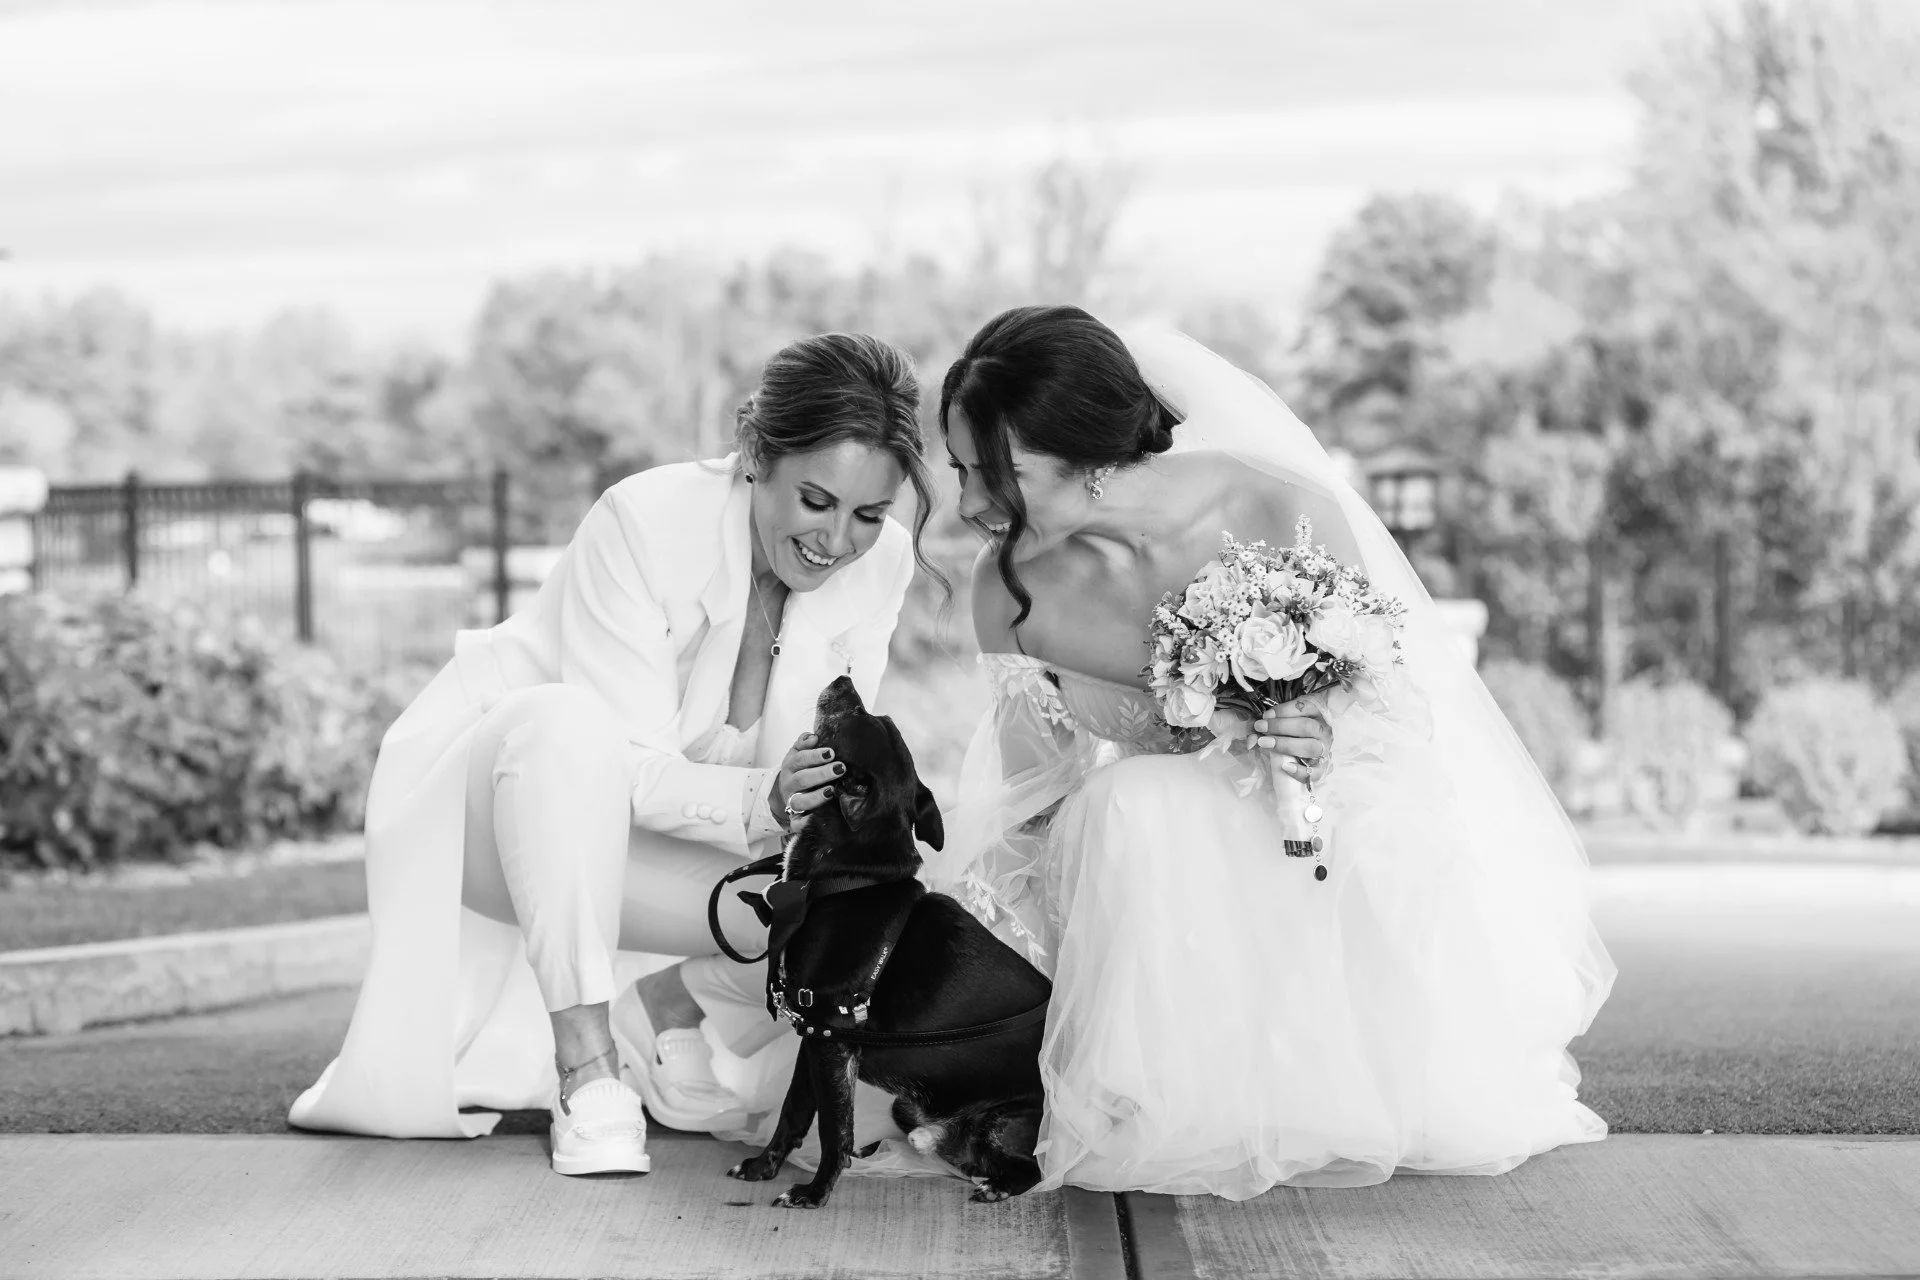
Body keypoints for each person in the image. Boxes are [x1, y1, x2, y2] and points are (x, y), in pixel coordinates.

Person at [929, 305, 1616, 1200]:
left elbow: (1400, 721)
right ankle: (1152, 1085)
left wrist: (1326, 737)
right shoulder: (1010, 590)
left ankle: (1311, 1071)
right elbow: (1032, 800)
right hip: (1154, 879)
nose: (970, 504)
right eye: (960, 468)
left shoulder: (1278, 506)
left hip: (1329, 828)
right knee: (1123, 805)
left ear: (1089, 458)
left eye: (998, 473)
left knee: (1145, 804)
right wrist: (989, 976)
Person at [290, 332, 937, 1177]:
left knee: (899, 887)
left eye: (869, 515)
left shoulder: (881, 565)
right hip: (494, 818)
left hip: (669, 862)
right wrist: (766, 800)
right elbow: (625, 766)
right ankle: (587, 1069)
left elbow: (833, 754)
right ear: (754, 455)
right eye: (816, 501)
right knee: (565, 725)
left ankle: (668, 1001)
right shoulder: (641, 521)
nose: (838, 541)